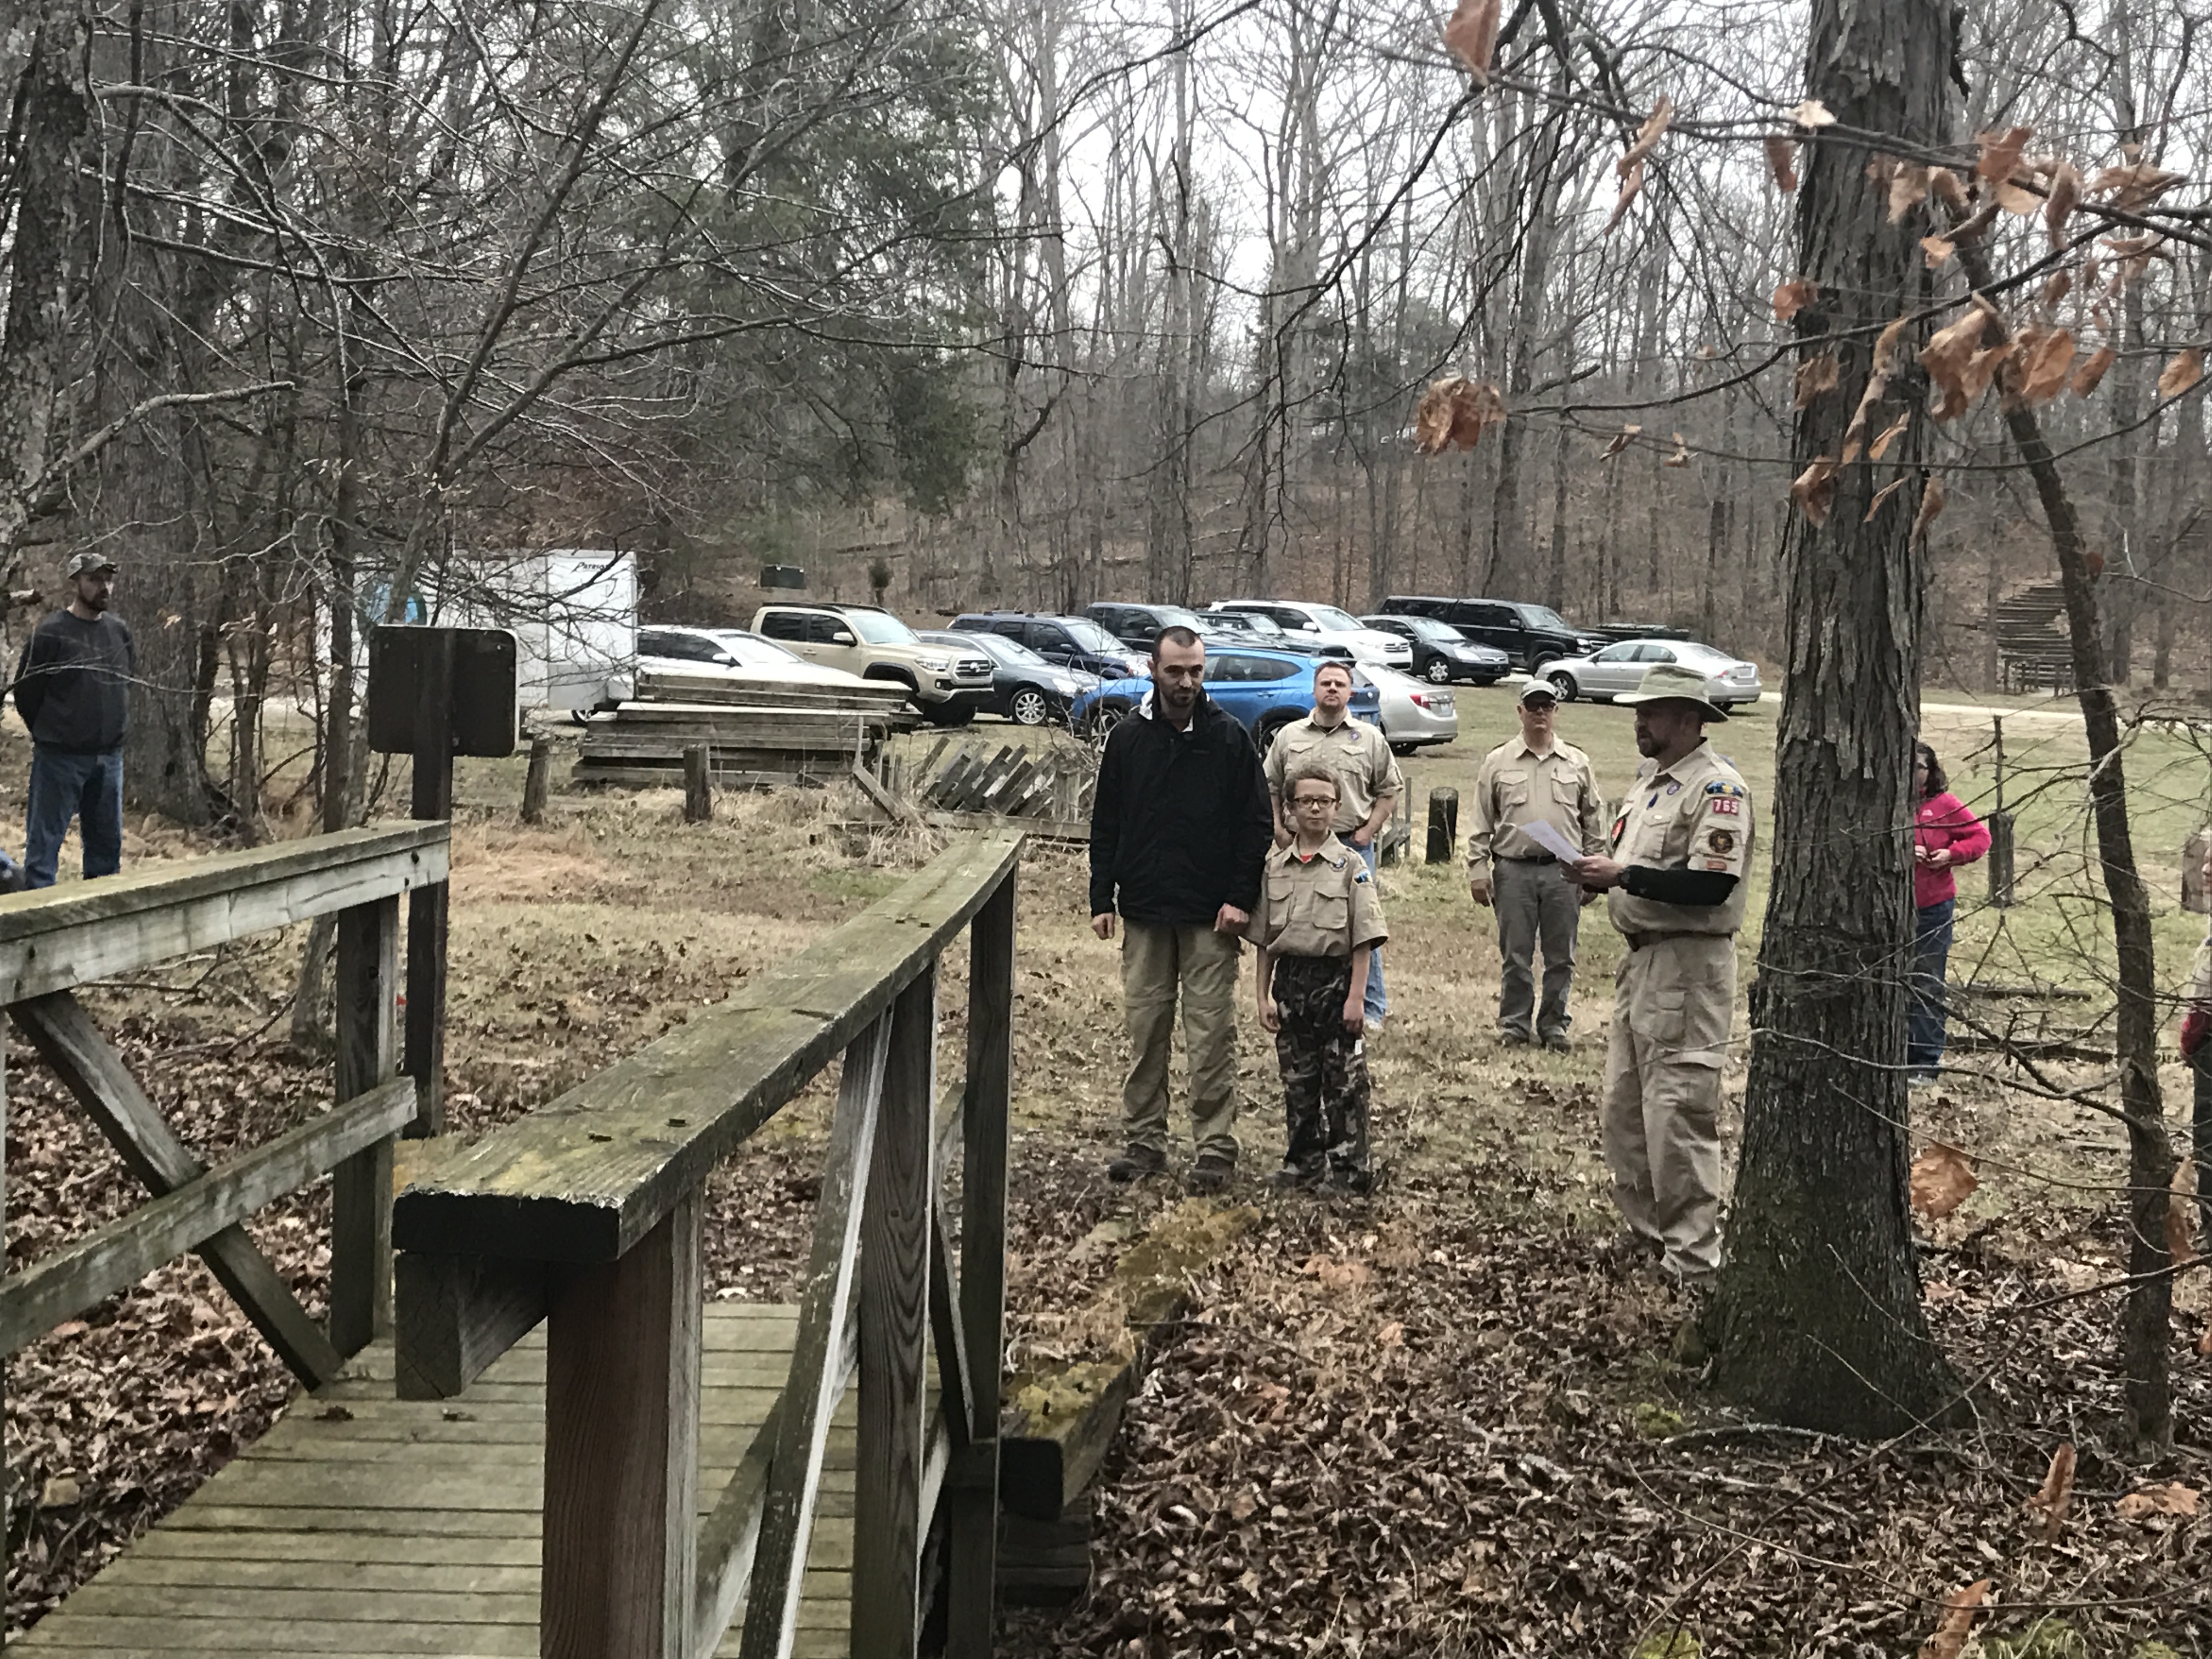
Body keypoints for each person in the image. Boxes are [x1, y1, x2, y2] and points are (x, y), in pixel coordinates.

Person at [1568, 662, 1755, 1289]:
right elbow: (1638, 865)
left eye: (1651, 712)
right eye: (1638, 712)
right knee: (1625, 1111)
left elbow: (1710, 884)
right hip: (1642, 960)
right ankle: (1651, 1236)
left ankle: (1693, 1258)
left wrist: (1623, 877)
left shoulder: (1717, 788)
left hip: (1689, 966)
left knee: (1678, 1111)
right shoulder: (1650, 785)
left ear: (1688, 718)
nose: (1639, 722)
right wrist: (1601, 879)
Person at [1090, 625, 1274, 1193]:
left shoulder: (1229, 738)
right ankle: (1144, 1143)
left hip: (1210, 917)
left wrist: (1240, 899)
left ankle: (1214, 1149)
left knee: (1211, 1034)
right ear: (1153, 670)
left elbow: (1256, 825)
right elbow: (1106, 822)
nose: (1186, 682)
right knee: (1146, 1031)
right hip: (1145, 911)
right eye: (1175, 671)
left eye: (1195, 670)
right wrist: (1101, 897)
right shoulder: (1127, 739)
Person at [1249, 762, 1389, 1194]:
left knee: (1344, 1083)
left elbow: (1364, 938)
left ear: (1337, 806)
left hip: (1335, 983)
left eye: (1324, 801)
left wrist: (1357, 998)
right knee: (1298, 1081)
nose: (1315, 809)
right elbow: (1265, 941)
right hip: (1291, 983)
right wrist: (1261, 997)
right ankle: (1303, 1164)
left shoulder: (1350, 866)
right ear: (1289, 808)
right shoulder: (1275, 868)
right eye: (1306, 801)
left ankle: (1351, 1171)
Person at [1262, 661, 1401, 1036]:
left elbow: (1390, 790)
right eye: (1326, 683)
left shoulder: (1369, 738)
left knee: (1361, 927)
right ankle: (1297, 1000)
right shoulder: (1289, 736)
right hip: (1298, 847)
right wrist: (1279, 831)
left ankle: (1370, 1006)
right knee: (1296, 922)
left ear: (1350, 692)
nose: (1333, 689)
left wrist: (1369, 831)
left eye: (1340, 683)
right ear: (1314, 689)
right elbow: (1270, 786)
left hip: (1349, 846)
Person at [1467, 681, 1606, 1048]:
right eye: (1533, 706)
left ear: (1556, 711)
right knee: (1516, 955)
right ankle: (1514, 1025)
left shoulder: (1577, 762)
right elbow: (1481, 820)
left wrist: (1594, 874)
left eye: (1547, 706)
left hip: (1565, 872)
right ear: (1520, 712)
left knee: (1562, 956)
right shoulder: (1498, 762)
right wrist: (1478, 869)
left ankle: (1554, 1026)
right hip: (1514, 870)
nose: (1540, 712)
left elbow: (1594, 819)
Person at [11, 552, 135, 890]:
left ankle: (100, 918)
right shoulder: (51, 634)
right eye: (94, 579)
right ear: (76, 583)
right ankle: (38, 917)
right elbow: (27, 693)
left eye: (108, 579)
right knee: (43, 852)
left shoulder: (119, 632)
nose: (104, 587)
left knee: (106, 855)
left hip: (109, 759)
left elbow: (127, 684)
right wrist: (53, 733)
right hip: (59, 759)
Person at [1909, 742, 1990, 1086]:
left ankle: (1925, 1063)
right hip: (1888, 908)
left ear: (1931, 771)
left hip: (1932, 907)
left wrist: (1950, 855)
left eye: (1919, 767)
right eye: (1908, 765)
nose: (1913, 773)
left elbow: (1980, 837)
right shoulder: (1885, 804)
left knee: (1927, 982)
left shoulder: (1944, 805)